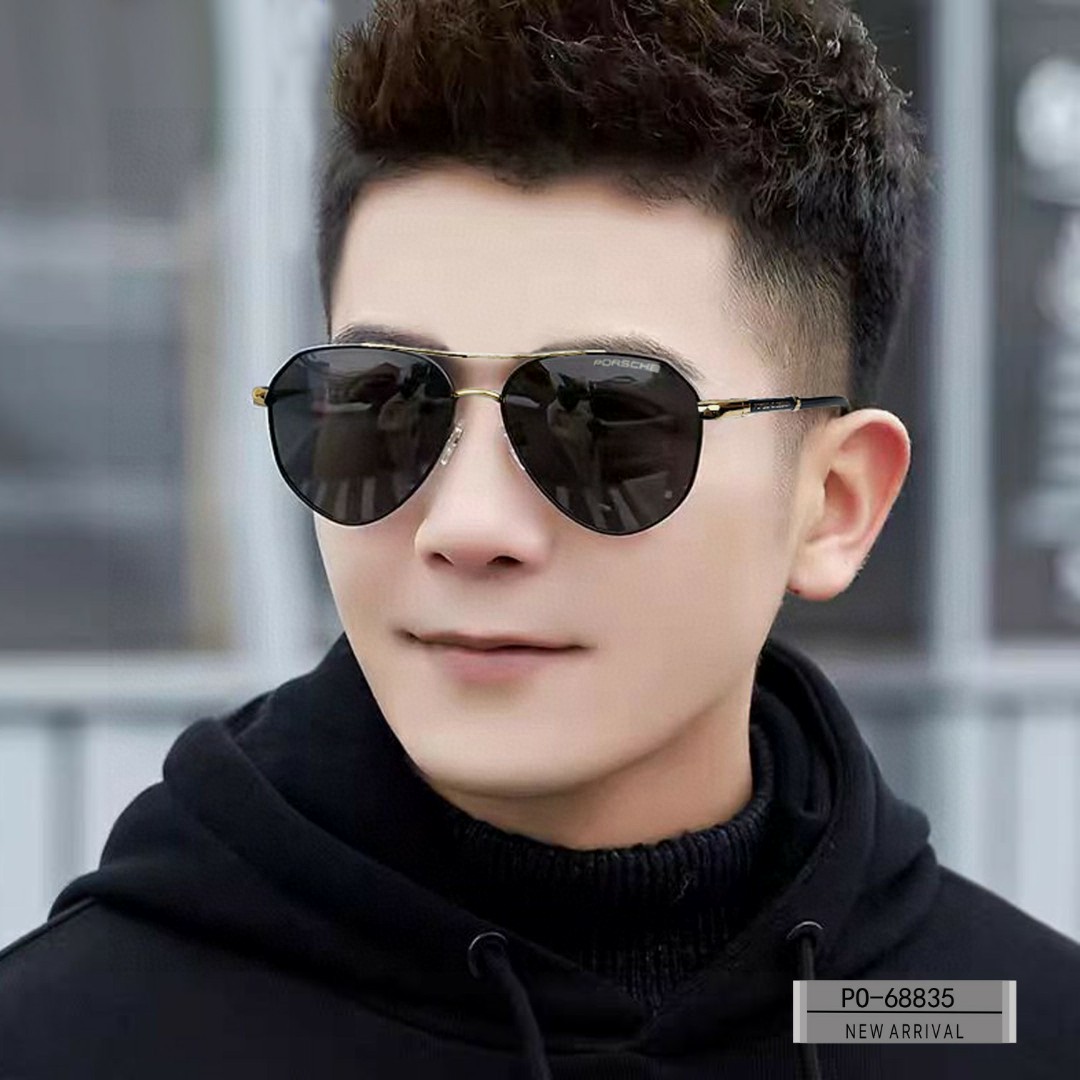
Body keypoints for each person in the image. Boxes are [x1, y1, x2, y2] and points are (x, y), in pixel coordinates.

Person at [2, 1, 1078, 1077]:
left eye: (605, 422)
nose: (466, 526)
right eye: (385, 403)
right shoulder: (72, 1038)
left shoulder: (1000, 1024)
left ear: (834, 504)